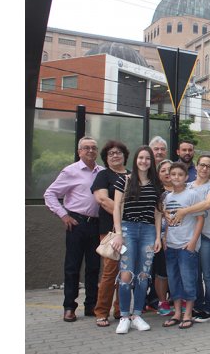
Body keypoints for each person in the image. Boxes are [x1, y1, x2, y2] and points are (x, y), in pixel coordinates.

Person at [44, 136, 104, 323]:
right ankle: (69, 307)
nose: (91, 151)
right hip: (76, 223)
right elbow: (50, 194)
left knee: (94, 268)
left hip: (96, 224)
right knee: (72, 267)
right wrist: (63, 215)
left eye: (94, 148)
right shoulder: (70, 171)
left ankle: (91, 306)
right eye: (86, 148)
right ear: (79, 152)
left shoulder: (101, 172)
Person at [109, 146, 162, 333]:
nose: (144, 161)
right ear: (136, 159)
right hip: (128, 229)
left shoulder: (156, 184)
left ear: (151, 162)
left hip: (148, 231)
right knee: (126, 274)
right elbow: (116, 208)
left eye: (148, 158)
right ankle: (124, 316)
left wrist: (158, 237)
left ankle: (137, 315)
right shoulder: (124, 180)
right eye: (141, 158)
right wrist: (118, 233)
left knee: (143, 275)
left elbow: (157, 213)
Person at [90, 140, 130, 327]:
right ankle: (101, 311)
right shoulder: (103, 175)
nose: (115, 155)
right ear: (106, 158)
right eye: (111, 153)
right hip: (111, 232)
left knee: (126, 272)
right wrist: (127, 213)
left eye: (118, 152)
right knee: (109, 272)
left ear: (125, 155)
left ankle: (121, 310)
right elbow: (103, 200)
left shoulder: (133, 175)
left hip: (132, 231)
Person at [161, 163, 205, 329]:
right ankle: (177, 313)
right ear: (169, 177)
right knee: (174, 281)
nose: (176, 177)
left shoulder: (192, 195)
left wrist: (193, 241)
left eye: (180, 174)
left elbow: (200, 219)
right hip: (171, 245)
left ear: (186, 177)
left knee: (188, 280)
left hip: (186, 246)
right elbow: (166, 220)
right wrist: (165, 238)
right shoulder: (167, 197)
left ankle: (188, 313)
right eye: (173, 174)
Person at [186, 155, 210, 323]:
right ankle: (198, 305)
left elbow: (208, 204)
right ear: (196, 166)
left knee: (208, 273)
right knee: (195, 273)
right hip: (191, 235)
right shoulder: (187, 186)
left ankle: (208, 307)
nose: (205, 168)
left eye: (209, 166)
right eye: (202, 165)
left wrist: (185, 210)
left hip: (208, 236)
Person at [152, 159, 173, 316]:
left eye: (170, 169)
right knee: (162, 271)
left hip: (181, 237)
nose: (167, 173)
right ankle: (162, 301)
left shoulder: (185, 190)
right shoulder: (156, 192)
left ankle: (178, 300)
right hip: (160, 236)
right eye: (163, 170)